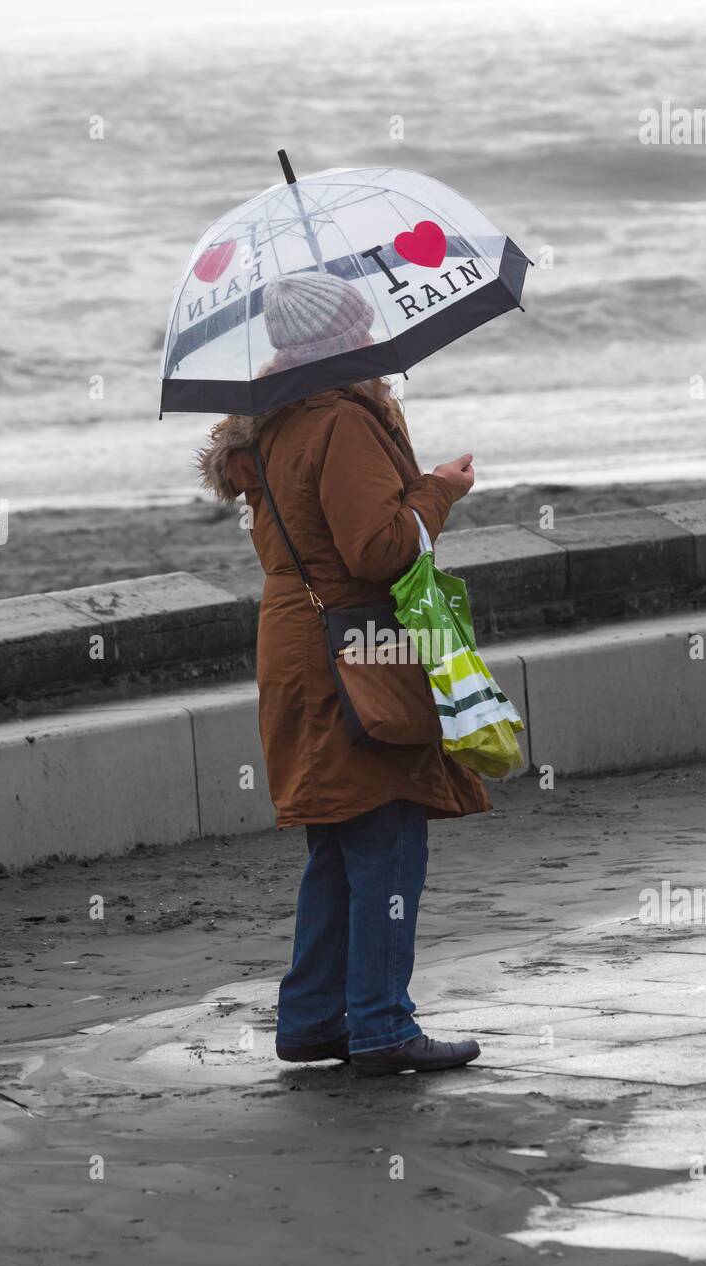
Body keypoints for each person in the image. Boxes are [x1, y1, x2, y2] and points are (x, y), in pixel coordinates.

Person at [197, 269, 491, 1076]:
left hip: (298, 641)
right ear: (345, 336)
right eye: (362, 324)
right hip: (354, 646)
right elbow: (379, 550)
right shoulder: (339, 418)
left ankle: (315, 1020)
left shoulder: (279, 417)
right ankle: (382, 1028)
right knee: (388, 829)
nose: (374, 338)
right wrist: (439, 491)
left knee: (339, 839)